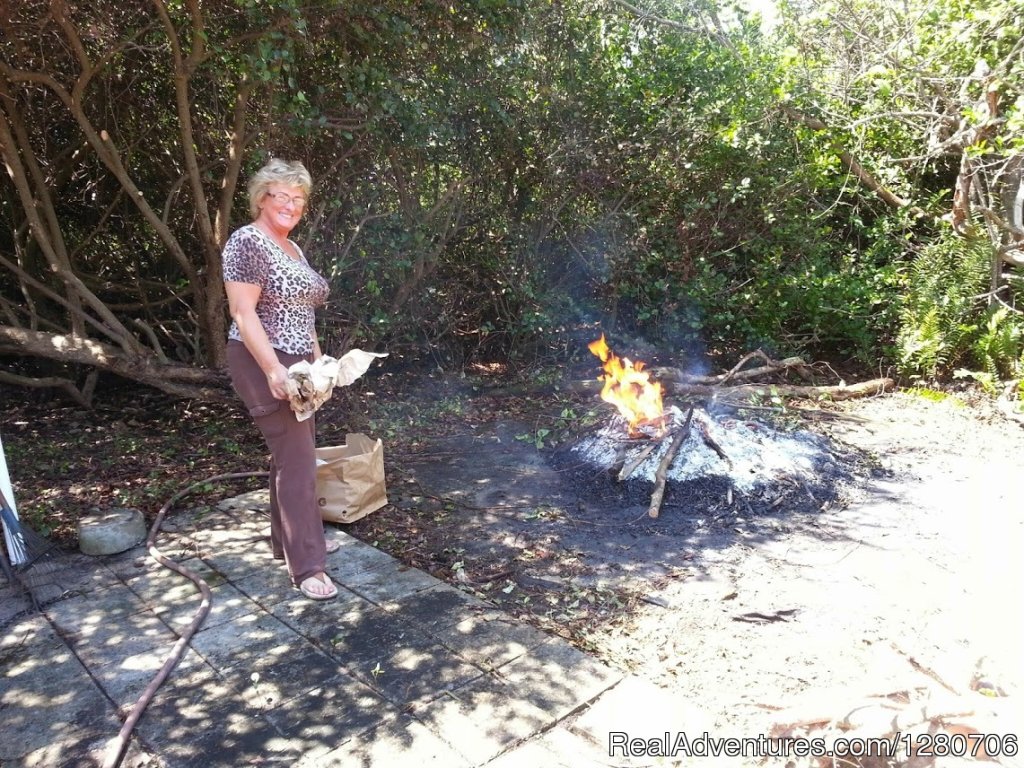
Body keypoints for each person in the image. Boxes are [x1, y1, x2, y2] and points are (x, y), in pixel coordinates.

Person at [223, 158, 339, 600]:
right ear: (261, 199)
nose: (291, 205)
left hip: (300, 364)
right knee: (298, 461)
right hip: (261, 360)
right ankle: (308, 566)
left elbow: (301, 311)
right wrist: (274, 369)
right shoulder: (248, 242)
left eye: (299, 199)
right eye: (282, 196)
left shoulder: (292, 249)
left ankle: (284, 544)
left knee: (291, 455)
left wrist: (319, 363)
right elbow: (243, 311)